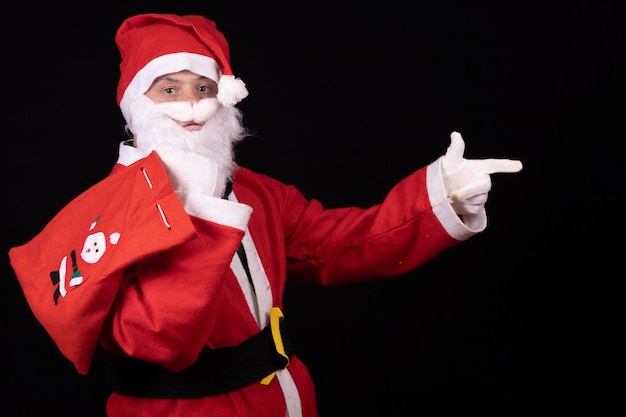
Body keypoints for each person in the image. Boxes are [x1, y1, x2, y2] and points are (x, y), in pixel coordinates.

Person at [8, 12, 523, 417]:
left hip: (283, 396)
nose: (192, 106)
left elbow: (340, 246)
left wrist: (440, 197)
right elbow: (160, 341)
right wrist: (202, 211)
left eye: (204, 88)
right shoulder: (108, 212)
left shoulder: (257, 191)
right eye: (169, 90)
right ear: (137, 107)